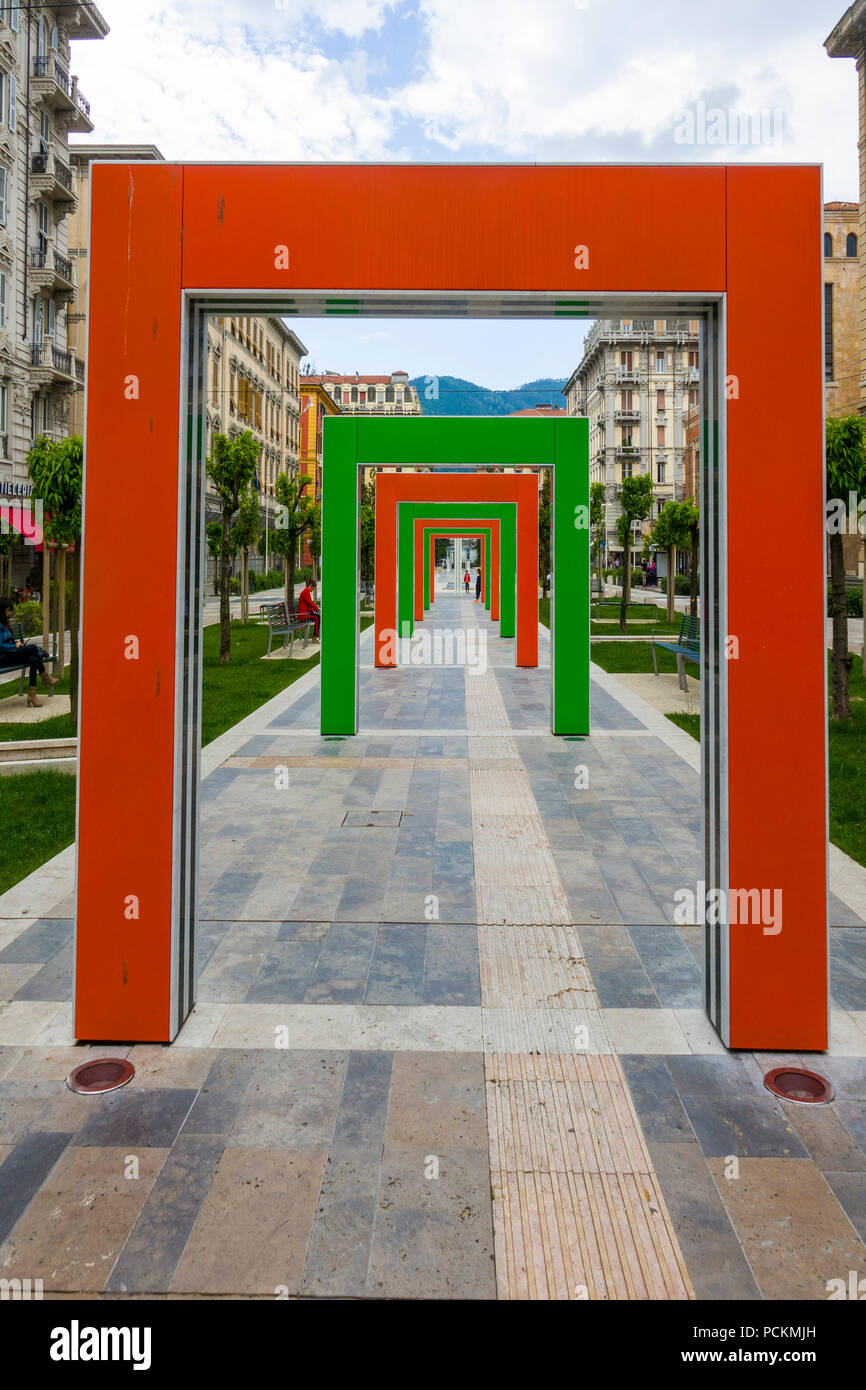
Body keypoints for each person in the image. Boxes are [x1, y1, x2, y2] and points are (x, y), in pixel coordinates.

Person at [0, 597, 57, 707]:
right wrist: (14, 645)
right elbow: (0, 646)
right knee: (33, 648)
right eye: (7, 610)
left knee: (33, 659)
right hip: (3, 658)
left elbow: (8, 641)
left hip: (10, 654)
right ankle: (46, 678)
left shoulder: (4, 623)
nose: (9, 612)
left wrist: (17, 644)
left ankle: (32, 695)